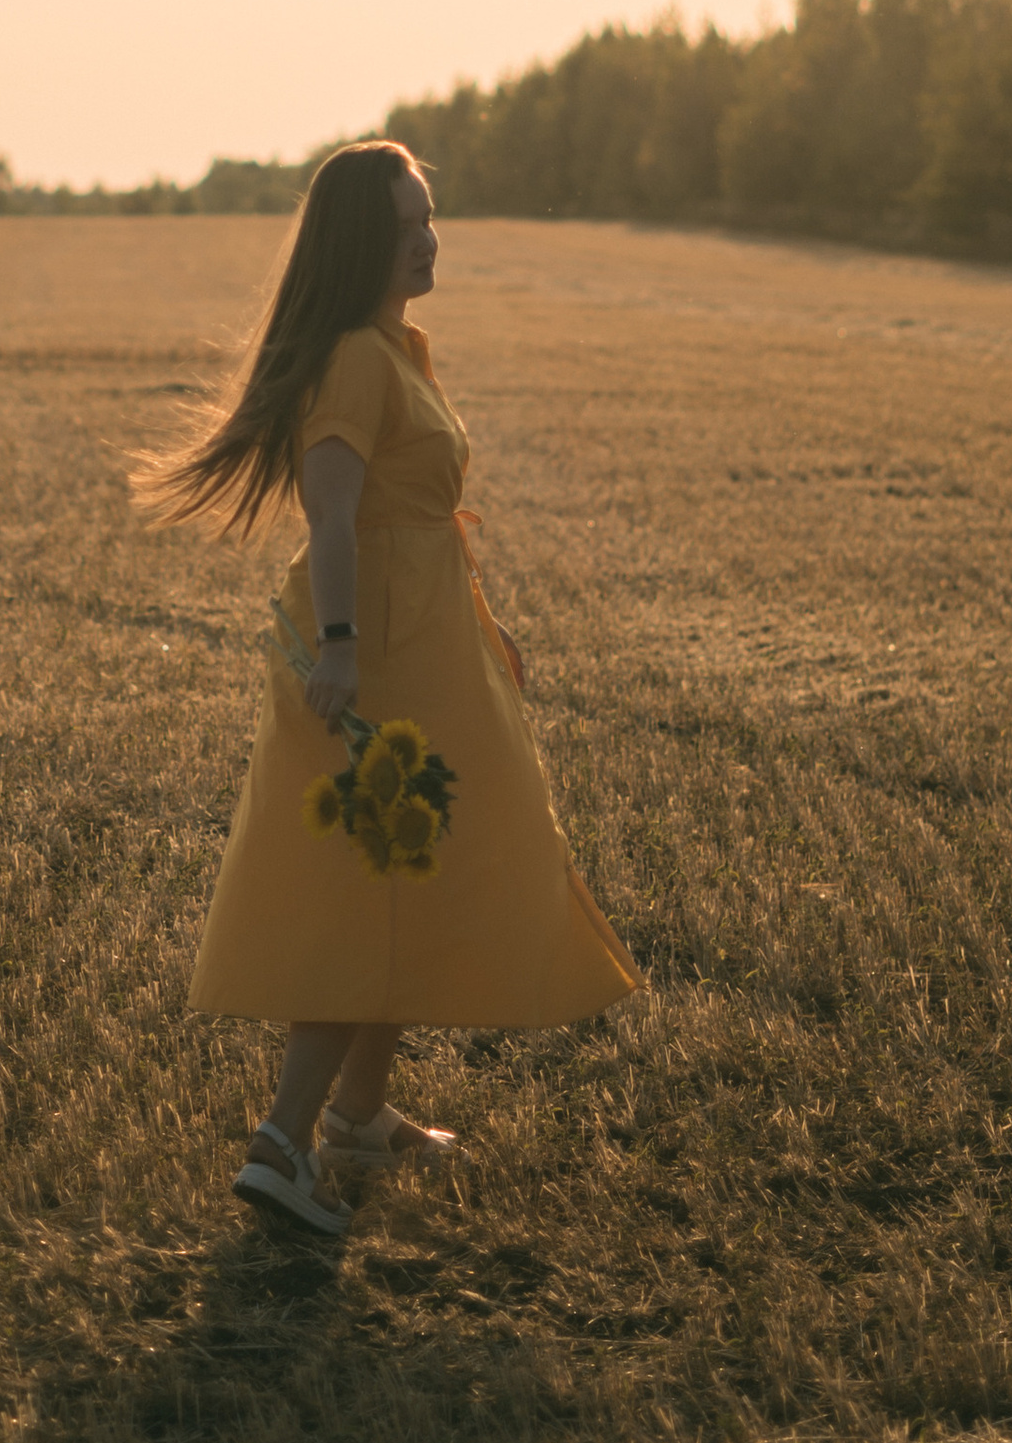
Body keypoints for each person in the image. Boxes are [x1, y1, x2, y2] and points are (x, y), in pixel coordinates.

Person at [140, 138, 641, 1238]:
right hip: (377, 658)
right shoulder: (356, 363)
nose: (429, 240)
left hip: (425, 642)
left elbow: (413, 518)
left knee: (411, 872)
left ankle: (358, 1118)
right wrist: (338, 647)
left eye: (430, 217)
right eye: (408, 225)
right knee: (371, 894)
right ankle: (284, 1142)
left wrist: (482, 628)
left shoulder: (392, 349)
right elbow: (332, 516)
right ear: (363, 241)